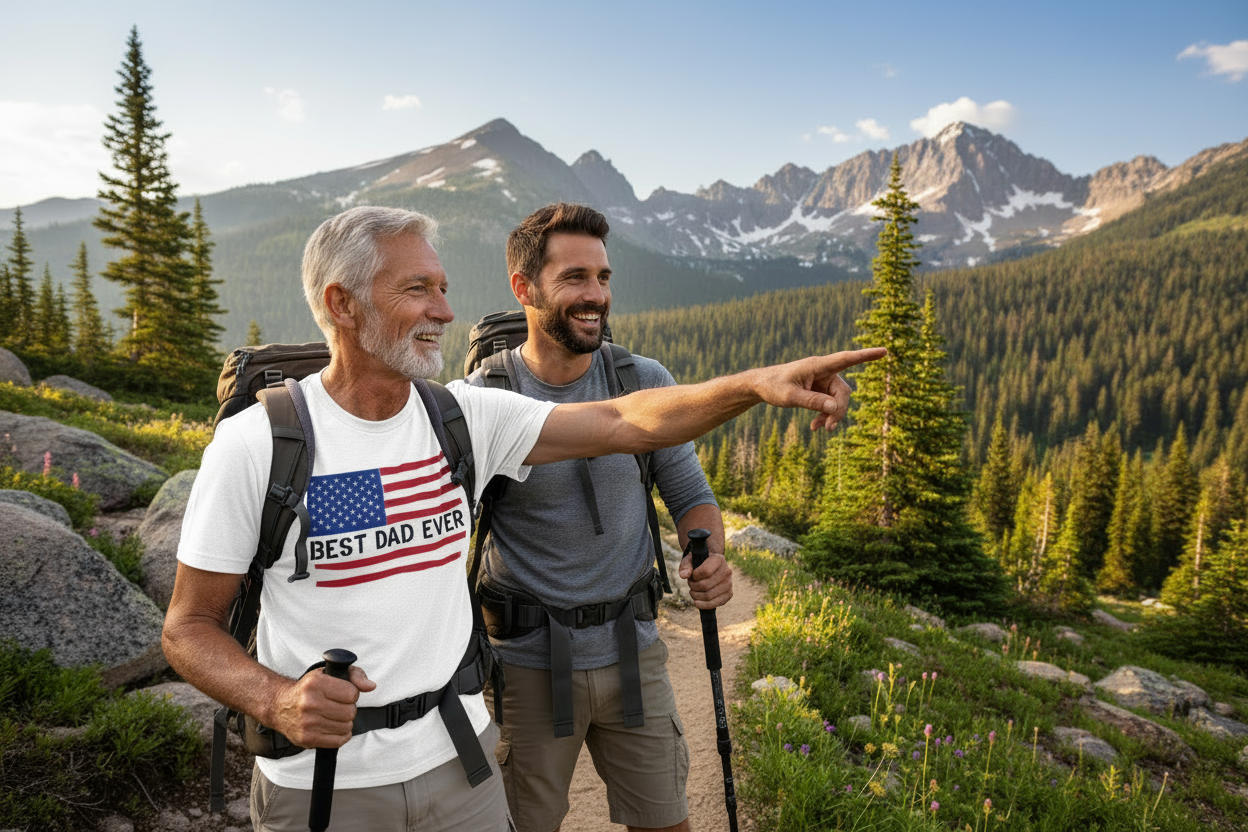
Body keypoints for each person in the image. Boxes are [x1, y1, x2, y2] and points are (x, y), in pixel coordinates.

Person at [162, 205, 882, 832]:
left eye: (443, 288)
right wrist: (276, 698)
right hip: (323, 783)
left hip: (460, 760)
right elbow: (188, 628)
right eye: (419, 289)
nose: (444, 310)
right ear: (343, 304)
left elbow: (627, 419)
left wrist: (758, 385)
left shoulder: (463, 418)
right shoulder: (262, 442)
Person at [465, 203, 730, 832]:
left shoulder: (644, 381)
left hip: (633, 651)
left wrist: (710, 555)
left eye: (604, 278)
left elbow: (690, 492)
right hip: (527, 663)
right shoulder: (482, 400)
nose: (596, 296)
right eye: (575, 278)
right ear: (524, 288)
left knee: (666, 822)